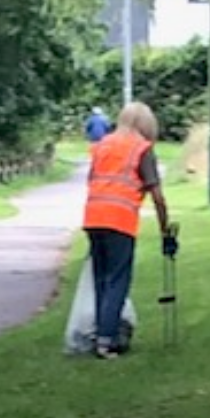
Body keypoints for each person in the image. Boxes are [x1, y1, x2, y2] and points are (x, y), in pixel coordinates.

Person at [83, 101, 175, 358]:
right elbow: (156, 193)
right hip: (119, 219)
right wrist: (164, 228)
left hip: (93, 216)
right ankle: (106, 340)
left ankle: (100, 333)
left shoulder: (102, 145)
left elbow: (93, 180)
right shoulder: (142, 149)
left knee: (101, 279)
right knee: (117, 280)